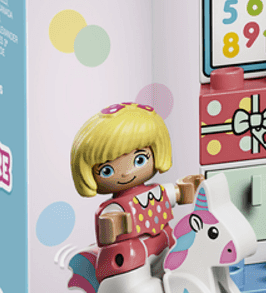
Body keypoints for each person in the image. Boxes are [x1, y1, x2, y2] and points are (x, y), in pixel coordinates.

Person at [71, 102, 203, 281]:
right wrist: (114, 223)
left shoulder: (157, 191)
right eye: (107, 170)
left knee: (181, 258)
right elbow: (107, 230)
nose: (126, 173)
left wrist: (190, 187)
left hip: (165, 242)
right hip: (132, 255)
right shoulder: (114, 207)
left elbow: (179, 194)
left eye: (139, 160)